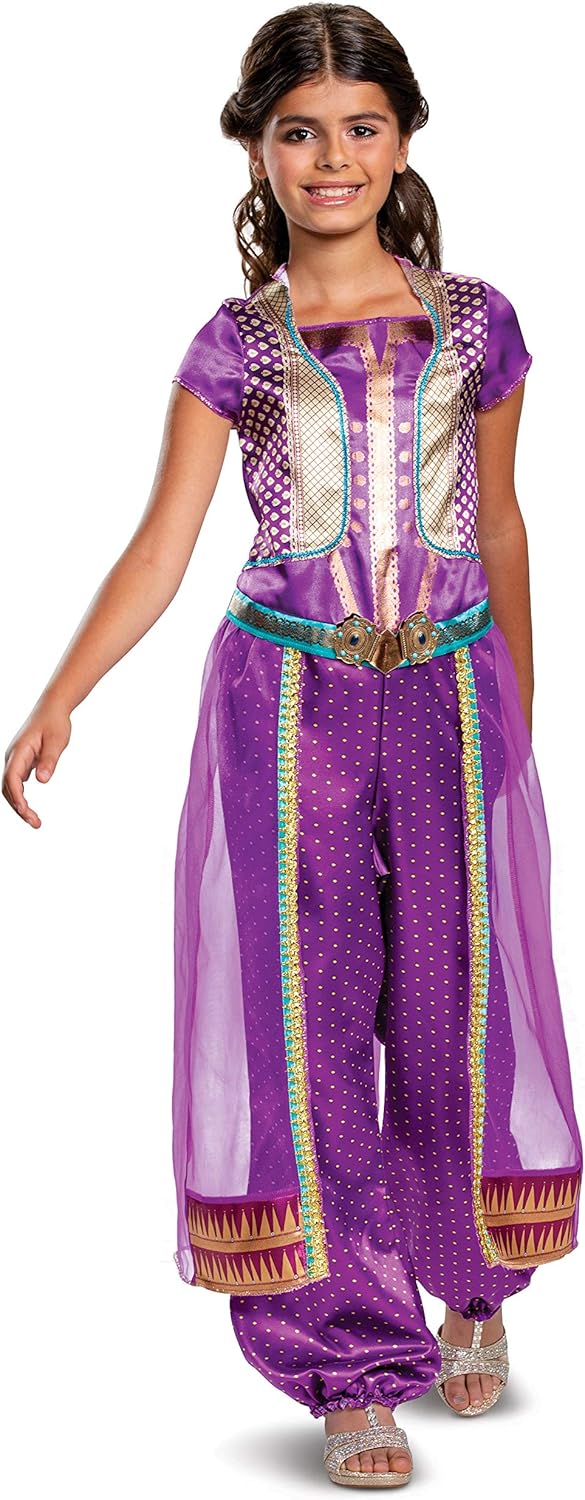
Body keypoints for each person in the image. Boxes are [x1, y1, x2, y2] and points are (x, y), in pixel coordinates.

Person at [3, 3, 582, 1488]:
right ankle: (348, 1355)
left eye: (360, 127)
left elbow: (500, 523)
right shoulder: (237, 345)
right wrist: (62, 692)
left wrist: (515, 711)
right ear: (258, 151)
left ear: (405, 139)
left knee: (456, 1000)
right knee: (306, 1017)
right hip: (287, 705)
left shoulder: (479, 324)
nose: (333, 157)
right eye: (301, 131)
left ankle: (471, 1285)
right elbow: (162, 544)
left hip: (447, 691)